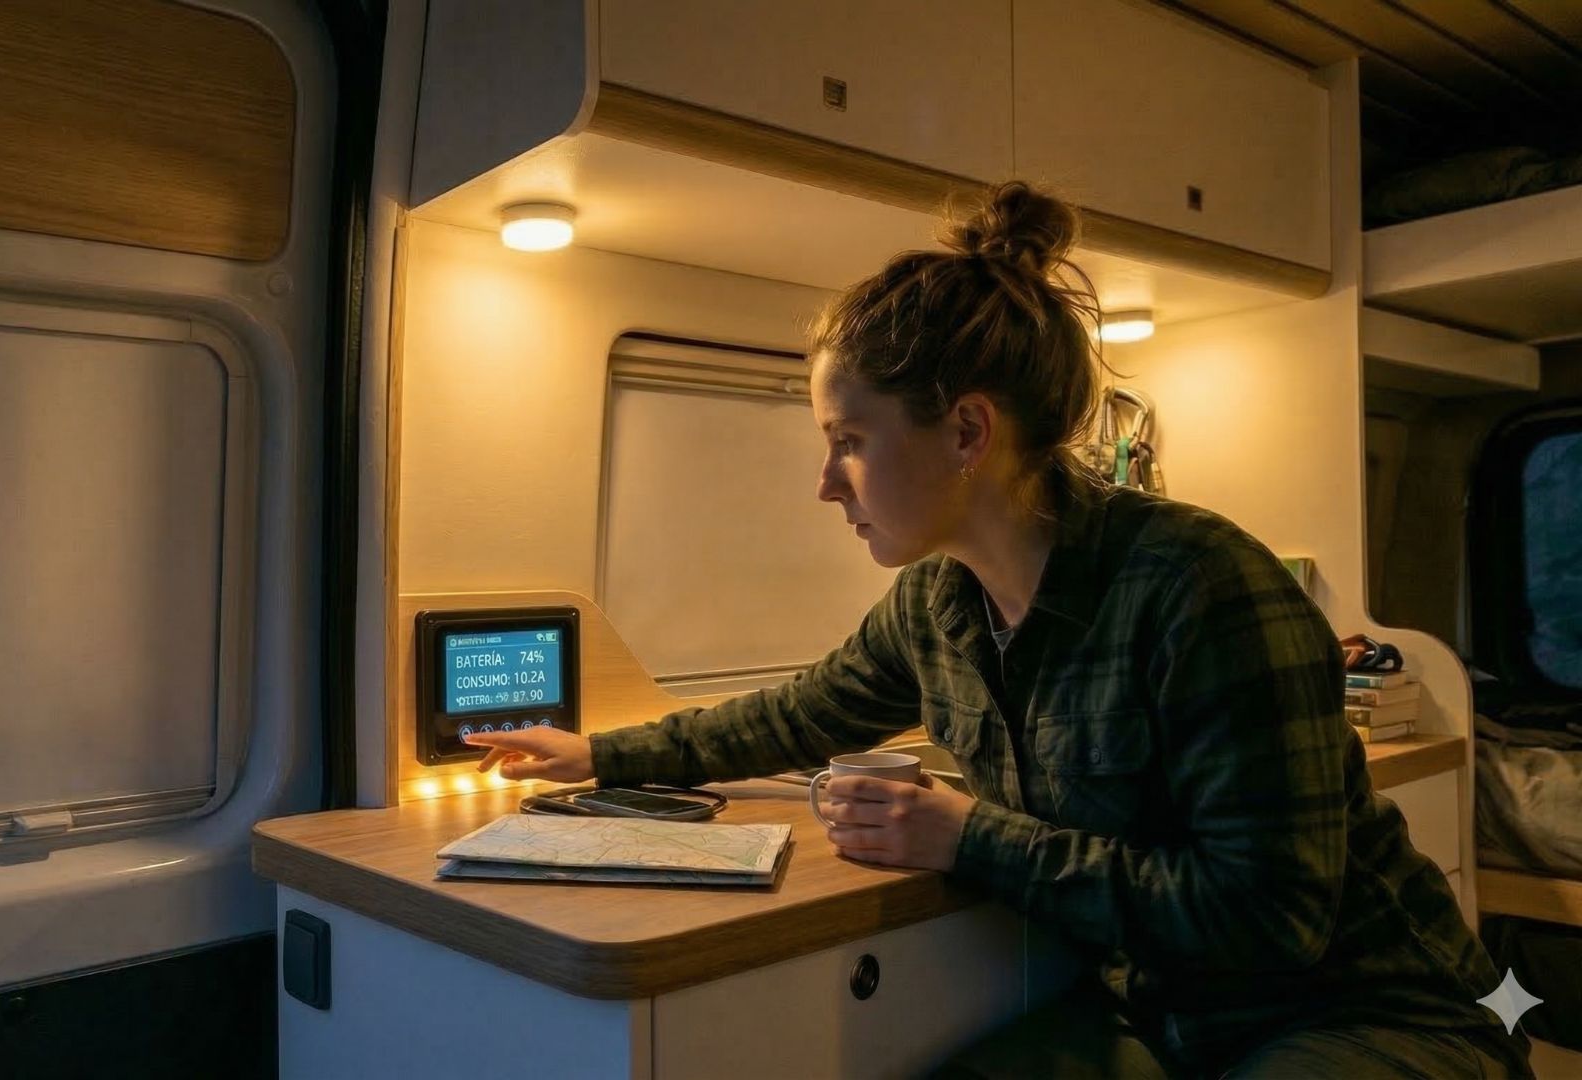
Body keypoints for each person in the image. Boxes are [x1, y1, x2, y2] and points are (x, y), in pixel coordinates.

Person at [462, 182, 1533, 1079]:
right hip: (1157, 1013)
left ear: (968, 430)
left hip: (1356, 1014)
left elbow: (1265, 921)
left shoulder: (1204, 588)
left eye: (850, 442)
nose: (824, 485)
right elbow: (801, 712)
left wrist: (970, 836)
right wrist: (601, 752)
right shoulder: (939, 604)